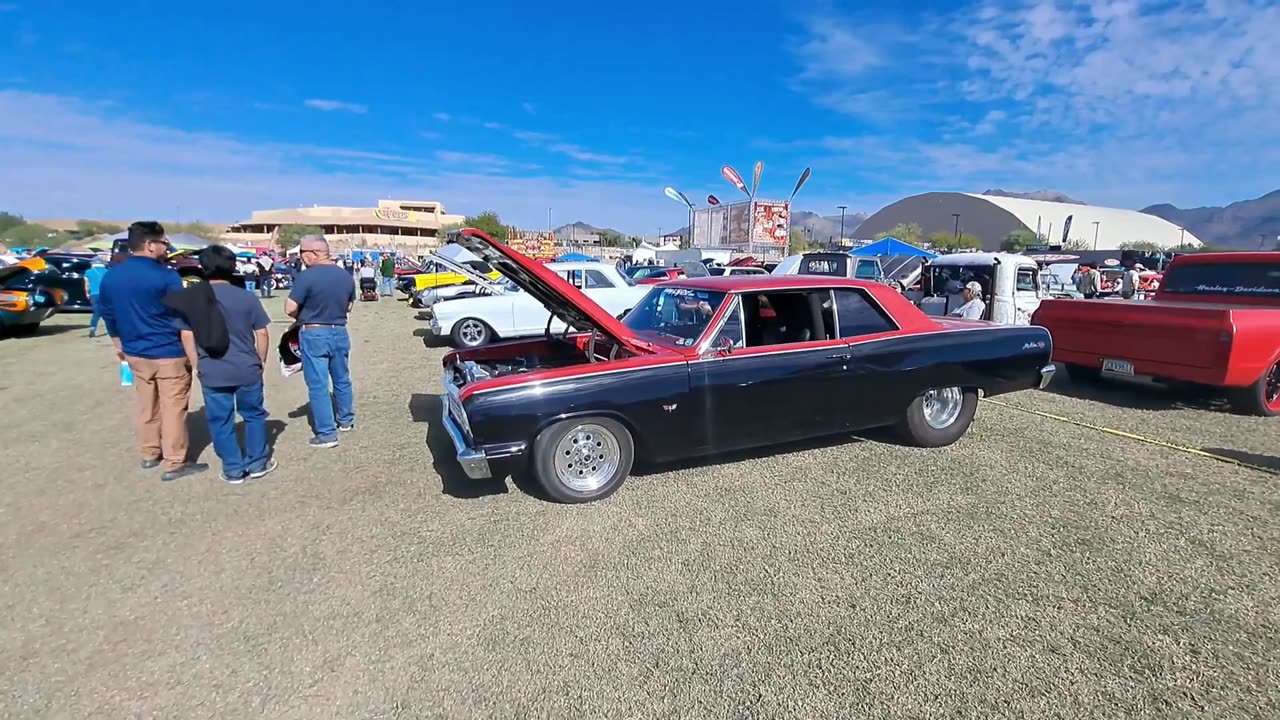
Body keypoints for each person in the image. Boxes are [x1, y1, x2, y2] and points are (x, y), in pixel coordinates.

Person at [98, 221, 207, 481]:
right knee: (173, 408)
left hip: (135, 351)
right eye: (164, 243)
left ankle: (149, 452)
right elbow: (182, 314)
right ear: (150, 245)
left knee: (147, 404)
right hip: (168, 351)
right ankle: (175, 461)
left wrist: (117, 341)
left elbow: (108, 312)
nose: (166, 248)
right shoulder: (166, 276)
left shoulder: (112, 275)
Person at [168, 246, 278, 484]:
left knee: (220, 419)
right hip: (246, 366)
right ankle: (257, 462)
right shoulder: (246, 297)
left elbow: (186, 335)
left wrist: (197, 364)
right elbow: (262, 332)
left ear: (202, 268)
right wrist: (261, 359)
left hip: (212, 368)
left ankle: (233, 468)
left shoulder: (193, 297)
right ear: (232, 267)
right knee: (254, 415)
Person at [286, 235, 356, 448]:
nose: (301, 258)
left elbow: (290, 308)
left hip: (315, 332)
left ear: (314, 253)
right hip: (339, 330)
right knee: (342, 379)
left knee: (318, 385)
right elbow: (349, 306)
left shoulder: (307, 277)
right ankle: (346, 420)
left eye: (302, 253)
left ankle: (326, 434)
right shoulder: (346, 276)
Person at [84, 259, 109, 338]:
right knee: (107, 313)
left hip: (94, 294)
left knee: (96, 313)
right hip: (105, 294)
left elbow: (87, 284)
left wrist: (87, 293)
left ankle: (92, 328)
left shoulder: (88, 272)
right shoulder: (107, 271)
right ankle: (111, 330)